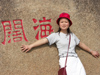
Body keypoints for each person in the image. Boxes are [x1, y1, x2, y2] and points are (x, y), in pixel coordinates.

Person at [21, 12, 100, 75]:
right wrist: (31, 45)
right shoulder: (56, 35)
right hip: (65, 60)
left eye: (66, 22)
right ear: (59, 24)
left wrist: (91, 51)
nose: (64, 23)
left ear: (69, 24)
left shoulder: (72, 35)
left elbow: (80, 44)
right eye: (62, 22)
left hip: (76, 60)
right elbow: (44, 40)